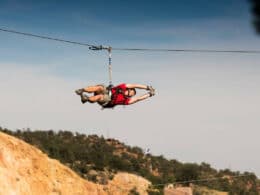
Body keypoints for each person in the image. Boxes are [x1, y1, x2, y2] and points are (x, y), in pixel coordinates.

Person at [75, 83, 155, 108]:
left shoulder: (126, 100)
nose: (130, 94)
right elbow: (135, 85)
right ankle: (81, 90)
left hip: (108, 101)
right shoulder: (122, 87)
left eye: (131, 94)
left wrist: (149, 95)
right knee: (99, 87)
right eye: (131, 91)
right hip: (107, 91)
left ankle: (87, 99)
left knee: (100, 97)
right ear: (128, 89)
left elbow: (138, 99)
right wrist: (147, 87)